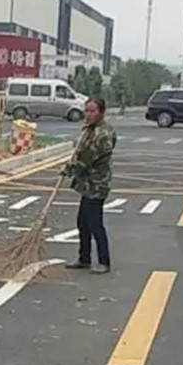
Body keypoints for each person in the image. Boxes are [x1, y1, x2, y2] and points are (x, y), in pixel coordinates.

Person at [61, 97, 117, 274]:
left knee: (95, 224)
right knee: (82, 222)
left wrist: (69, 169)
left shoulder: (103, 134)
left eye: (93, 111)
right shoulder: (89, 129)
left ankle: (104, 261)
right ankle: (84, 258)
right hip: (87, 185)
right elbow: (81, 151)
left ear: (101, 112)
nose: (89, 114)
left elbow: (87, 158)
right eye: (87, 111)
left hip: (97, 184)